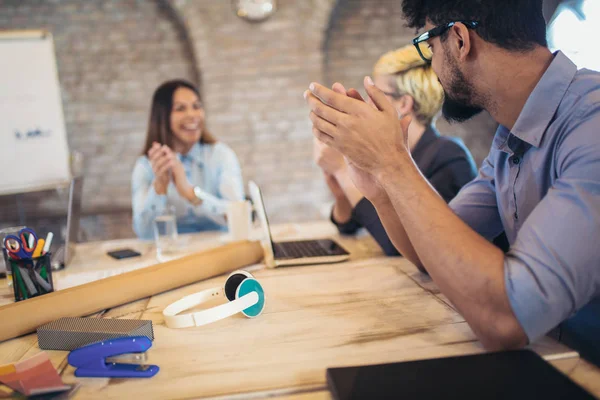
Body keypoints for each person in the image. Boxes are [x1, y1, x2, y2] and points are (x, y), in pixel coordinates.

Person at [303, 0, 600, 364]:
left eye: (429, 44)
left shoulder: (591, 125)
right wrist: (380, 187)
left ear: (459, 39)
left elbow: (506, 321)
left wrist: (394, 162)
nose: (433, 65)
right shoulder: (510, 135)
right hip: (549, 359)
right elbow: (428, 254)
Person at [314, 45, 477, 256]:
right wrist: (341, 194)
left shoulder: (448, 157)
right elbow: (349, 225)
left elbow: (401, 246)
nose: (368, 104)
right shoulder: (383, 155)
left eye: (377, 95)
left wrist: (341, 171)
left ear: (404, 103)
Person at [132, 80, 244, 239]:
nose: (192, 115)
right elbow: (144, 234)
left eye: (196, 106)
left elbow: (239, 217)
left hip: (220, 251)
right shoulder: (145, 166)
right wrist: (159, 187)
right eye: (180, 108)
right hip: (173, 255)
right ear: (162, 117)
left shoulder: (221, 155)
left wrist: (192, 194)